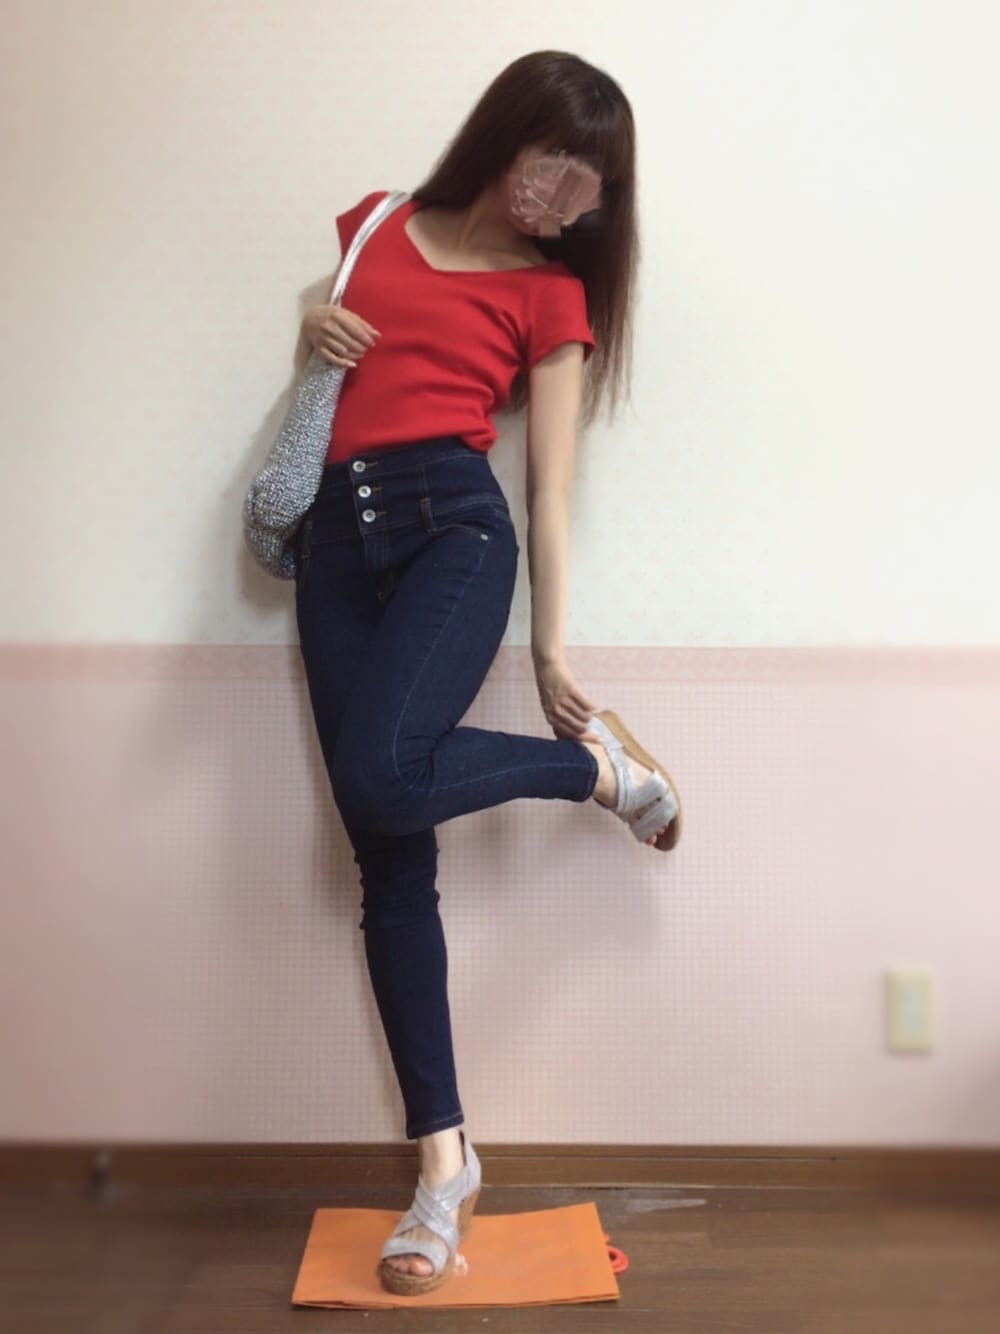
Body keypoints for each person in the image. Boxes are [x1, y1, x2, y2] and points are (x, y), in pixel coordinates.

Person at [293, 49, 682, 1296]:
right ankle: (444, 1167)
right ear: (506, 133)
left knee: (381, 774)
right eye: (554, 160)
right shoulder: (375, 223)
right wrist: (310, 331)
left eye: (589, 185)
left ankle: (589, 770)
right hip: (332, 549)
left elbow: (548, 490)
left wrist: (550, 647)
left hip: (452, 532)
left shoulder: (551, 296)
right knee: (386, 851)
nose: (563, 196)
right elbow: (332, 354)